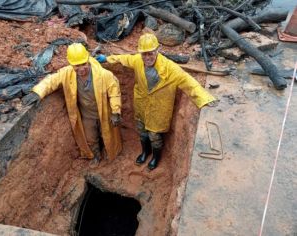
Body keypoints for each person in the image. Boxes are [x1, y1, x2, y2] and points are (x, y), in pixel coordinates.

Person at [96, 33, 216, 170]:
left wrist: (204, 98)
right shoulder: (137, 61)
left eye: (150, 54)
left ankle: (155, 157)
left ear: (157, 50)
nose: (147, 58)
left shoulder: (170, 68)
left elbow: (188, 82)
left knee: (154, 135)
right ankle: (145, 152)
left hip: (159, 107)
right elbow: (124, 58)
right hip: (142, 104)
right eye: (144, 54)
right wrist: (107, 58)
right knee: (142, 130)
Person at [23, 43, 122, 165]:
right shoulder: (67, 73)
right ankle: (96, 156)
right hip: (87, 116)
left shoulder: (104, 75)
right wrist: (38, 92)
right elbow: (51, 80)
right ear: (71, 64)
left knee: (107, 134)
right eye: (76, 66)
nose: (81, 69)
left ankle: (110, 152)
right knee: (90, 138)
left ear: (88, 60)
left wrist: (116, 111)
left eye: (83, 64)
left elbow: (114, 92)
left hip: (104, 113)